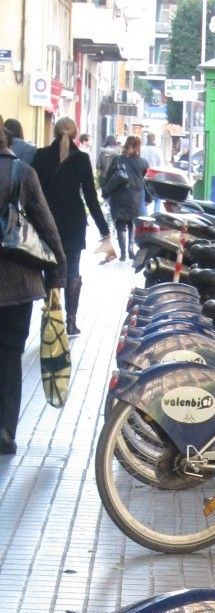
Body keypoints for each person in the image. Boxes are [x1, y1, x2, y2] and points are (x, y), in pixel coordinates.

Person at [0, 116, 66, 456]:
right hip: (18, 285)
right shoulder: (22, 173)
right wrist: (58, 276)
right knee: (9, 356)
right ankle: (4, 431)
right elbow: (46, 226)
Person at [32, 117, 110, 337]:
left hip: (47, 222)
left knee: (50, 270)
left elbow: (34, 194)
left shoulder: (41, 155)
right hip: (74, 223)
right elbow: (91, 198)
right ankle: (71, 322)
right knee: (73, 270)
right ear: (75, 134)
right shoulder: (82, 159)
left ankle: (51, 320)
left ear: (55, 132)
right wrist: (103, 228)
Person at [101, 134, 148, 262]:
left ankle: (123, 254)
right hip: (136, 197)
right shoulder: (143, 162)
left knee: (120, 224)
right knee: (132, 223)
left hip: (119, 196)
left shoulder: (118, 159)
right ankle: (131, 250)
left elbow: (109, 175)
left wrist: (105, 191)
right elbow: (144, 179)